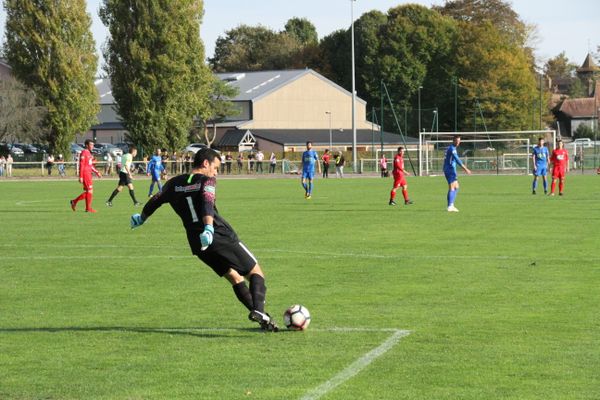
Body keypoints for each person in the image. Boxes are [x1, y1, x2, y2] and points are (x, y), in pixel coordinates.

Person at [129, 148, 279, 331]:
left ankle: (264, 320)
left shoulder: (173, 183)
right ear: (206, 163)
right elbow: (207, 202)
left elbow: (155, 200)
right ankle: (258, 309)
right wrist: (208, 227)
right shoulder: (207, 180)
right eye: (215, 168)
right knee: (256, 272)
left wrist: (142, 218)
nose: (216, 172)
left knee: (234, 277)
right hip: (218, 235)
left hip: (197, 243)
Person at [70, 139, 102, 213]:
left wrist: (97, 172)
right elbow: (82, 165)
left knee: (89, 191)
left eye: (93, 145)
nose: (92, 146)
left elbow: (90, 165)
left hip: (88, 174)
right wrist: (80, 176)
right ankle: (87, 208)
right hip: (85, 174)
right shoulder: (84, 152)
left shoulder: (89, 154)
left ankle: (75, 202)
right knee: (90, 191)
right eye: (91, 145)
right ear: (87, 145)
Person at [443, 135, 471, 212]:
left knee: (456, 187)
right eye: (457, 141)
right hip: (450, 170)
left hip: (449, 169)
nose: (458, 142)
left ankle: (451, 205)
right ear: (453, 141)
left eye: (459, 141)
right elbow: (457, 160)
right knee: (452, 187)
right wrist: (466, 169)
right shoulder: (452, 149)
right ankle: (450, 206)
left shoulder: (451, 148)